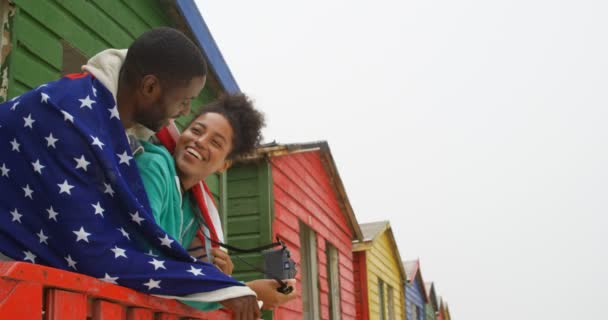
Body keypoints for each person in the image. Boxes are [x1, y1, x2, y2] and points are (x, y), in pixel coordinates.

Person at [0, 27, 260, 319]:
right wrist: (218, 287)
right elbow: (96, 249)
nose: (186, 111)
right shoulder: (71, 120)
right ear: (149, 88)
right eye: (184, 99)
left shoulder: (110, 126)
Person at [135, 93, 297, 311]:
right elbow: (142, 259)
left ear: (224, 165)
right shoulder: (153, 167)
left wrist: (217, 276)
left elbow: (176, 284)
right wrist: (239, 290)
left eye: (216, 142)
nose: (200, 141)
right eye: (196, 130)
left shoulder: (194, 214)